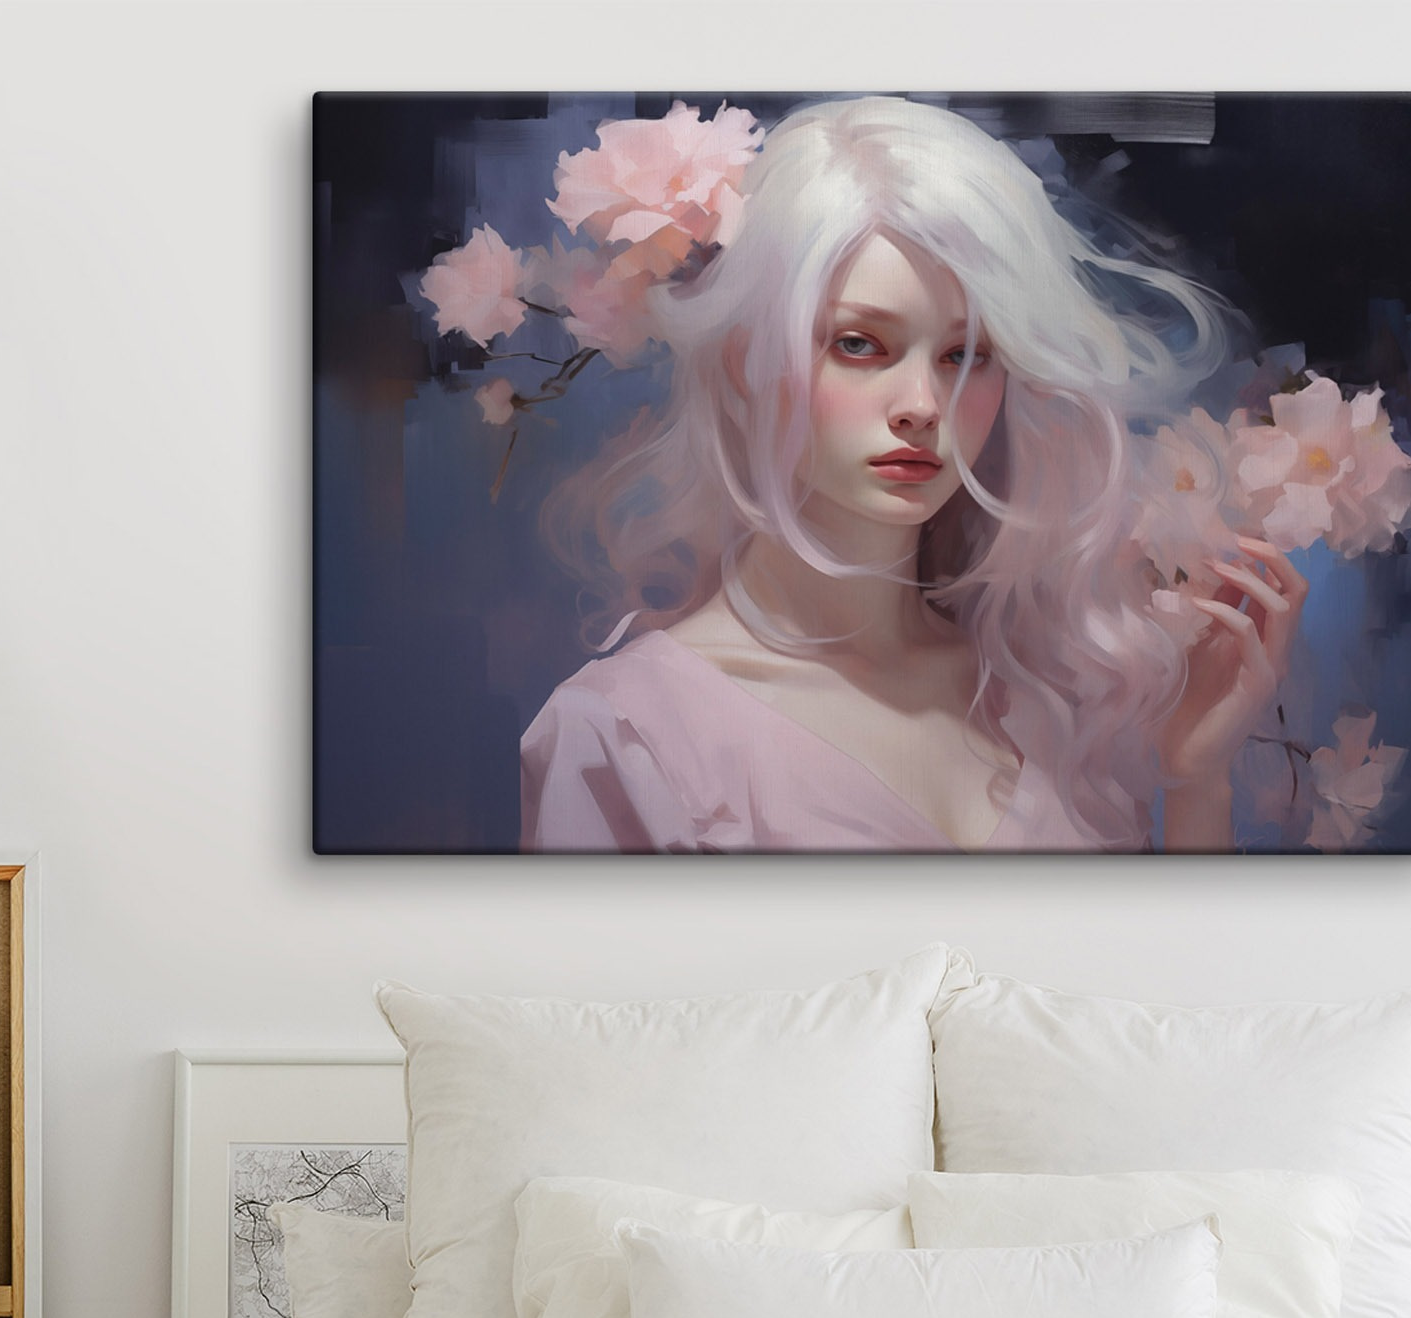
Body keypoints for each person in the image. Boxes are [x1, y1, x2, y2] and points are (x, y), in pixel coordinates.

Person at [520, 94, 1308, 853]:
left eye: (968, 355)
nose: (925, 405)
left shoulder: (1060, 700)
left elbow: (1159, 989)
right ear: (744, 363)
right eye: (860, 344)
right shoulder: (624, 734)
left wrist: (1198, 784)